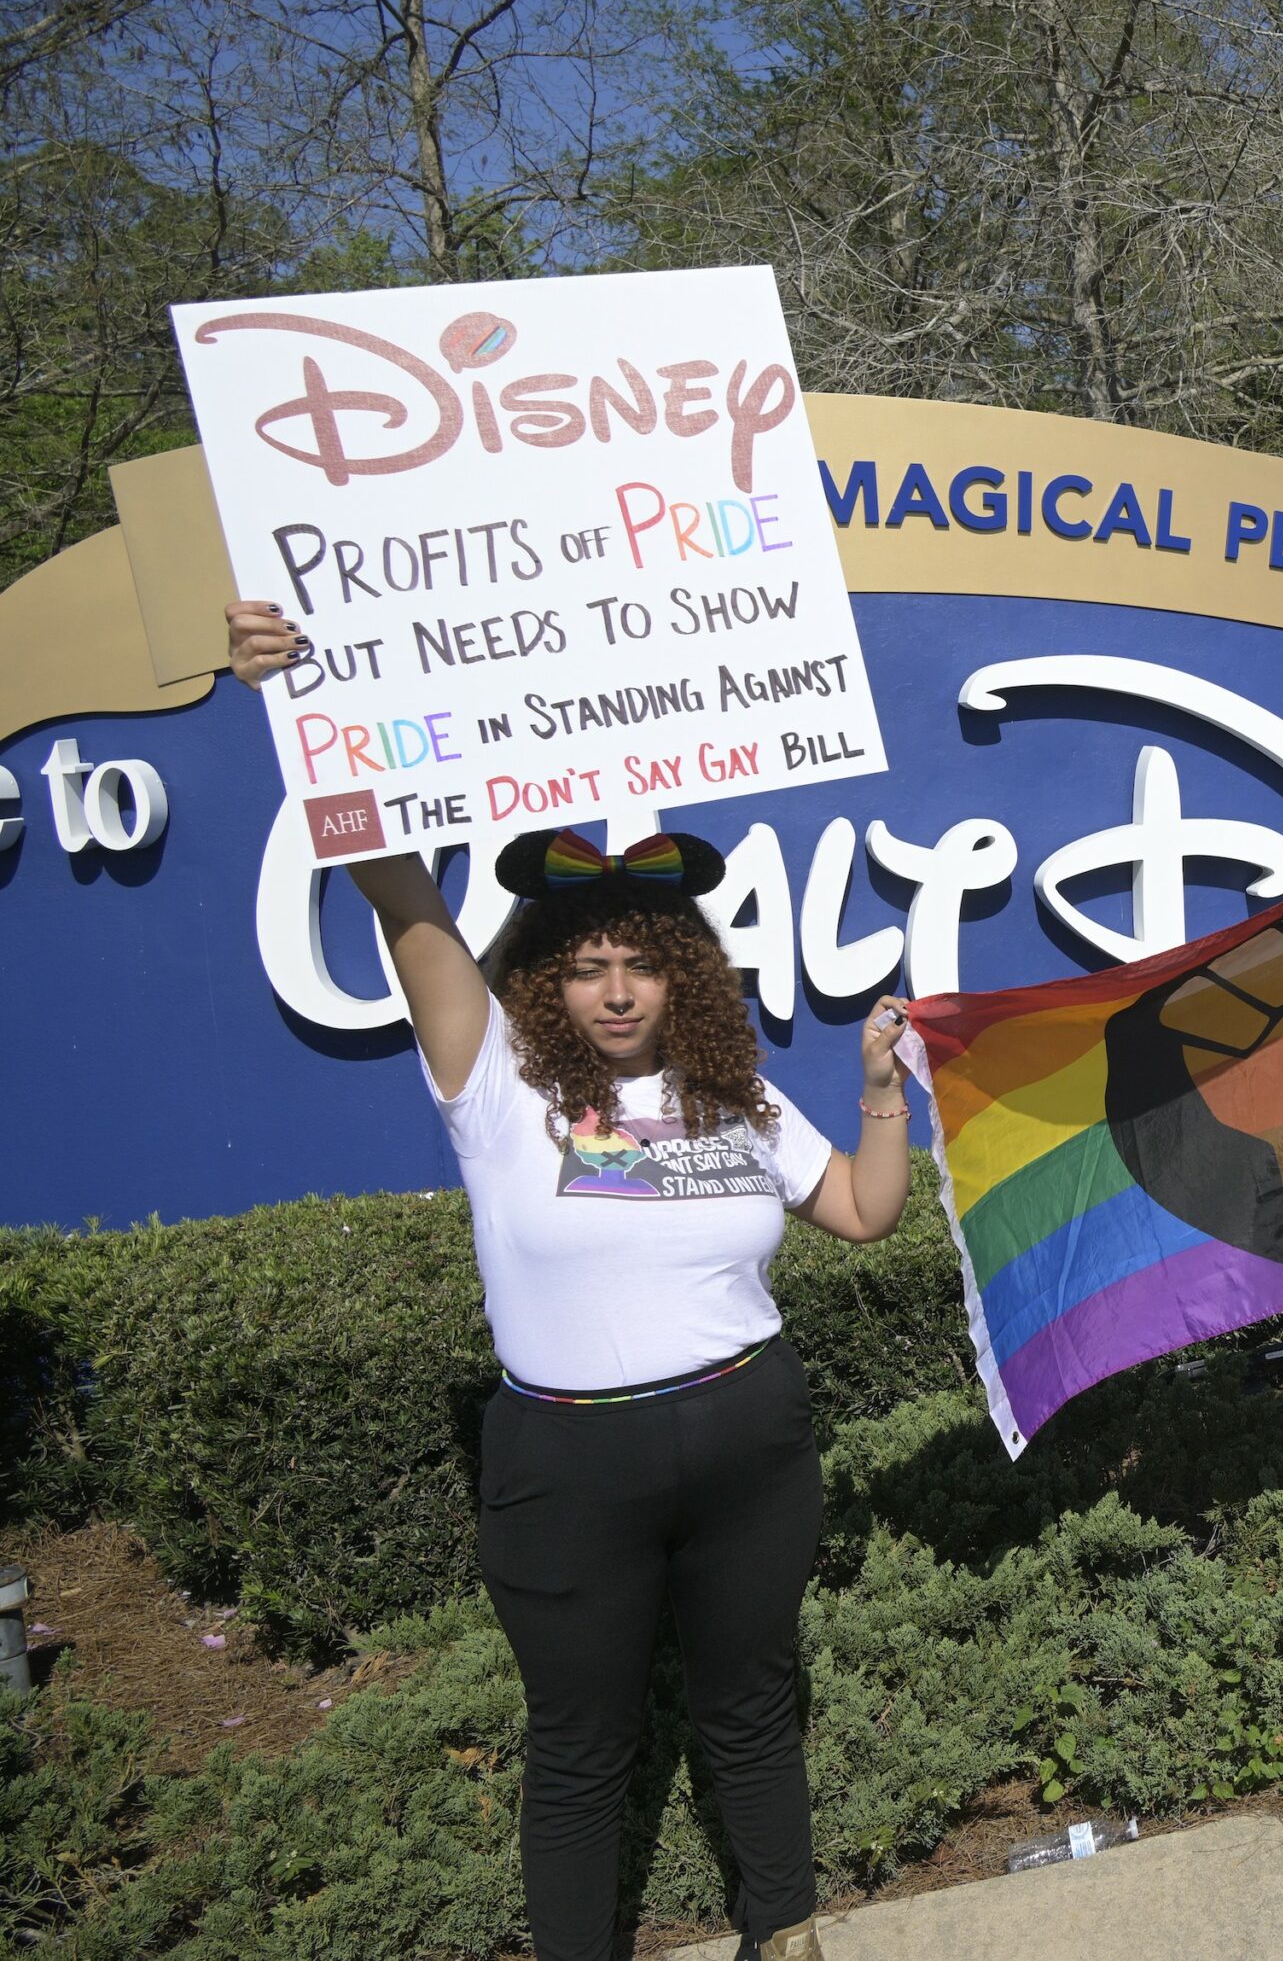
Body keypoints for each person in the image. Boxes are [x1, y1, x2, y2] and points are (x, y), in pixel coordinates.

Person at [226, 601, 917, 1961]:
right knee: (584, 1746)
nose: (615, 991)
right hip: (566, 1461)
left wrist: (880, 1088)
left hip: (749, 1440)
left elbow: (860, 1209)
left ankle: (785, 1928)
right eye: (588, 965)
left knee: (751, 1703)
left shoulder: (736, 1094)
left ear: (680, 975)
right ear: (545, 973)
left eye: (640, 964)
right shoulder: (493, 1079)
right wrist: (294, 700)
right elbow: (391, 880)